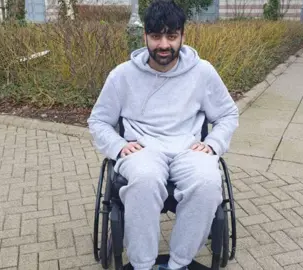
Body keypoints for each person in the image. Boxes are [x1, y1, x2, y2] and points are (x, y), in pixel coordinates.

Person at [87, 0, 239, 269]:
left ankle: (179, 263)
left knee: (207, 182)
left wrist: (214, 143)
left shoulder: (203, 72)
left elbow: (228, 114)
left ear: (182, 35)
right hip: (143, 150)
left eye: (172, 36)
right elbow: (99, 120)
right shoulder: (122, 76)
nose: (164, 45)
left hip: (188, 148)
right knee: (144, 180)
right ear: (145, 35)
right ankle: (143, 264)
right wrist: (118, 145)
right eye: (156, 36)